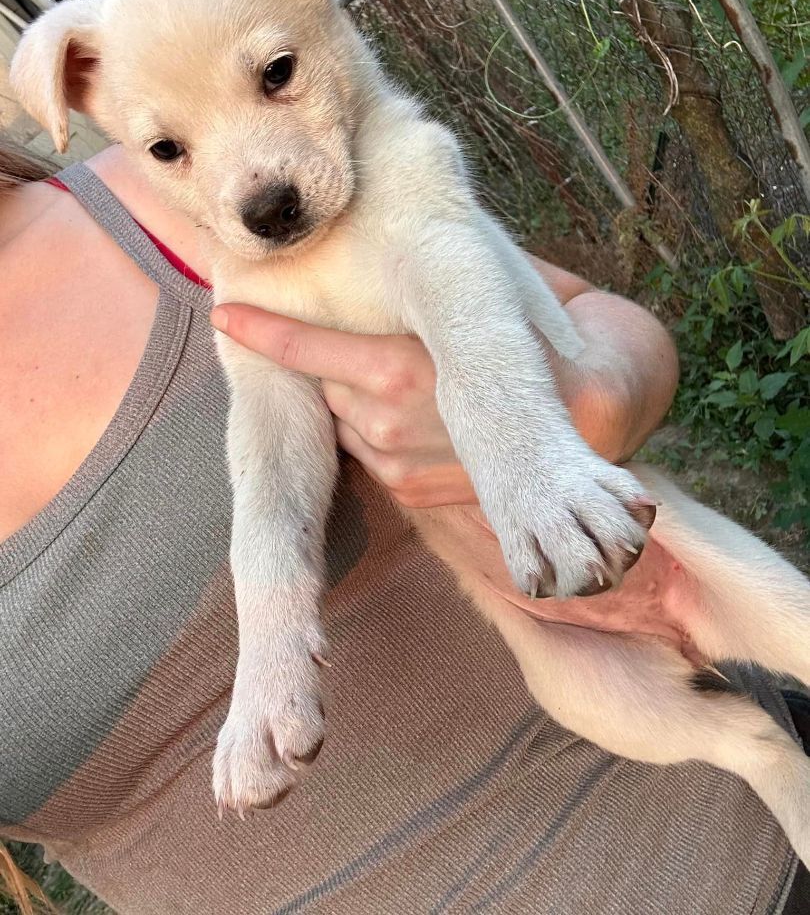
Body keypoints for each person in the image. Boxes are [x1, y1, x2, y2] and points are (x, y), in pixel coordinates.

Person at [0, 140, 806, 915]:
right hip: (662, 727)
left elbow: (577, 315)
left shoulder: (185, 170)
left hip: (710, 853)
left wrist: (577, 414)